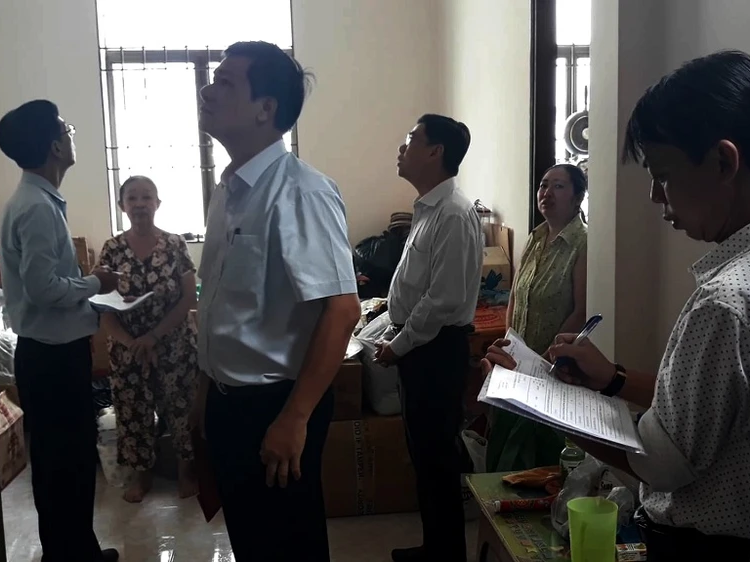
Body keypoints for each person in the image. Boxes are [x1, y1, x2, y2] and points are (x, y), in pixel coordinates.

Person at [483, 50, 750, 561]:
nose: (657, 197)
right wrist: (613, 379)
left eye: (663, 175)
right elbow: (720, 405)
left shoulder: (730, 301)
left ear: (723, 161)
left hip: (711, 550)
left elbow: (659, 463)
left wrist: (541, 403)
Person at [190, 41, 361, 562]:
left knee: (288, 547)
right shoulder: (228, 191)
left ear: (266, 108)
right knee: (252, 543)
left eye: (225, 82)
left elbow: (342, 310)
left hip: (276, 405)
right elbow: (221, 306)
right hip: (227, 401)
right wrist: (204, 397)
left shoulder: (301, 192)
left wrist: (294, 418)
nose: (207, 91)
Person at [0, 100, 120, 562]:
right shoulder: (36, 207)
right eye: (66, 128)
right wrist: (97, 283)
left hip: (50, 352)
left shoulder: (36, 200)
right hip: (53, 358)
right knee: (64, 464)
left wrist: (85, 287)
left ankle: (75, 552)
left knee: (65, 463)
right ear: (54, 146)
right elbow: (44, 288)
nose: (71, 135)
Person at [377, 114, 483, 562]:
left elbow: (442, 300)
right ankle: (435, 547)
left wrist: (398, 345)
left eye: (411, 140)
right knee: (424, 456)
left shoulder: (454, 214)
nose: (402, 148)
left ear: (436, 151)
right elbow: (417, 287)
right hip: (420, 347)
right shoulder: (427, 210)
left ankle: (447, 556)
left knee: (437, 459)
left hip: (435, 351)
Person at [97, 176, 199, 503]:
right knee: (133, 413)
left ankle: (186, 473)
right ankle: (142, 478)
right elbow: (102, 306)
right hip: (128, 347)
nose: (140, 204)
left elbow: (188, 298)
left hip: (174, 343)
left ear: (158, 203)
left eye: (147, 197)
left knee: (181, 408)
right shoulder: (112, 249)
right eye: (132, 198)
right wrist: (133, 343)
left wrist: (154, 336)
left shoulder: (175, 245)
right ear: (121, 205)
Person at [487, 163, 588, 472]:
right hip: (517, 367)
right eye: (544, 185)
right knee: (506, 455)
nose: (547, 193)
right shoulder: (535, 237)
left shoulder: (583, 243)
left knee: (541, 459)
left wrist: (542, 362)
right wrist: (510, 346)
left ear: (577, 197)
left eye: (558, 186)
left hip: (552, 369)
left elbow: (581, 311)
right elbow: (516, 295)